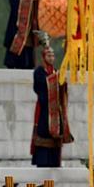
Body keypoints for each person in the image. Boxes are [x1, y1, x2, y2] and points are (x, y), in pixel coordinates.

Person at [30, 31, 73, 167]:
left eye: (53, 55)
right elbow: (39, 87)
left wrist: (62, 83)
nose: (52, 57)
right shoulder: (39, 72)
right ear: (44, 56)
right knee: (44, 139)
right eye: (49, 55)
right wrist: (55, 81)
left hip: (55, 113)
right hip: (44, 111)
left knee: (54, 150)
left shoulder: (55, 72)